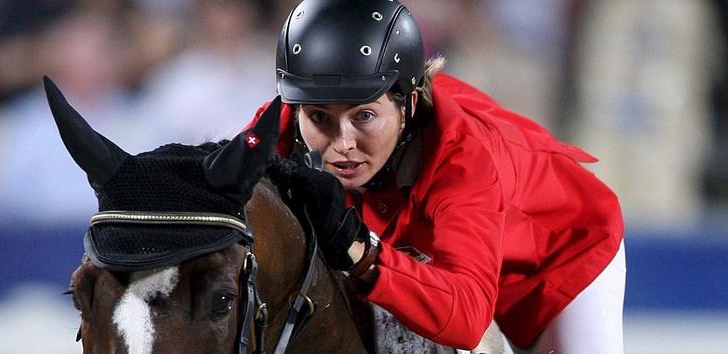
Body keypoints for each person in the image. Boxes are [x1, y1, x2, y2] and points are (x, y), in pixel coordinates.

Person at [248, 0, 626, 353]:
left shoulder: (464, 159)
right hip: (438, 252)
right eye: (319, 117)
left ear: (408, 104)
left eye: (363, 116)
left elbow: (466, 316)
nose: (342, 143)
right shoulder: (284, 125)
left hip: (560, 254)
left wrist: (361, 254)